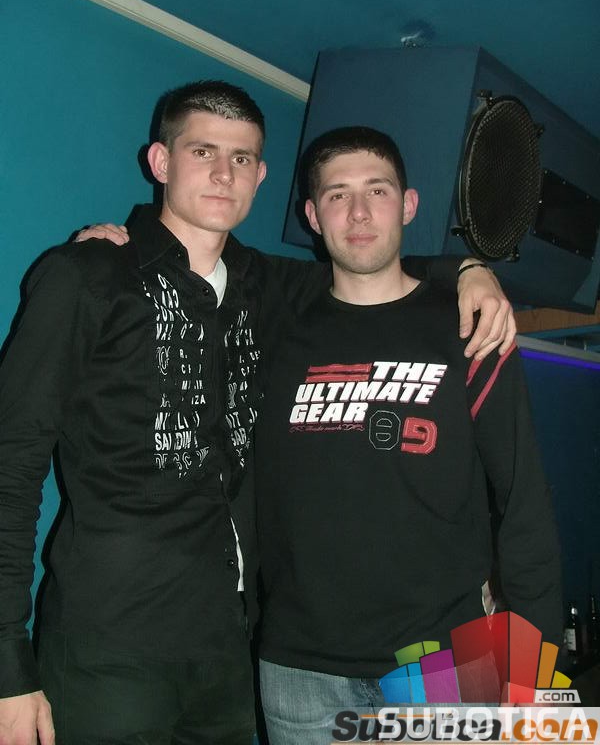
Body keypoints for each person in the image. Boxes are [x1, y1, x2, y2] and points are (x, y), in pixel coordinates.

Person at [0, 82, 514, 745]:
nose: (224, 172)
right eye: (203, 151)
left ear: (261, 175)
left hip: (230, 648)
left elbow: (370, 261)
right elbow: (11, 465)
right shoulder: (88, 277)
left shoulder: (265, 285)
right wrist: (8, 666)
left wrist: (469, 268)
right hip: (111, 649)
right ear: (160, 161)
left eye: (241, 158)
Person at [254, 127, 563, 745]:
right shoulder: (276, 326)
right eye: (338, 195)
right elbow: (194, 254)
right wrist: (109, 245)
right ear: (313, 216)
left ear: (409, 204)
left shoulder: (470, 327)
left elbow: (524, 505)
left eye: (378, 190)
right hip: (300, 669)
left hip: (447, 661)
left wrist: (535, 683)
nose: (359, 212)